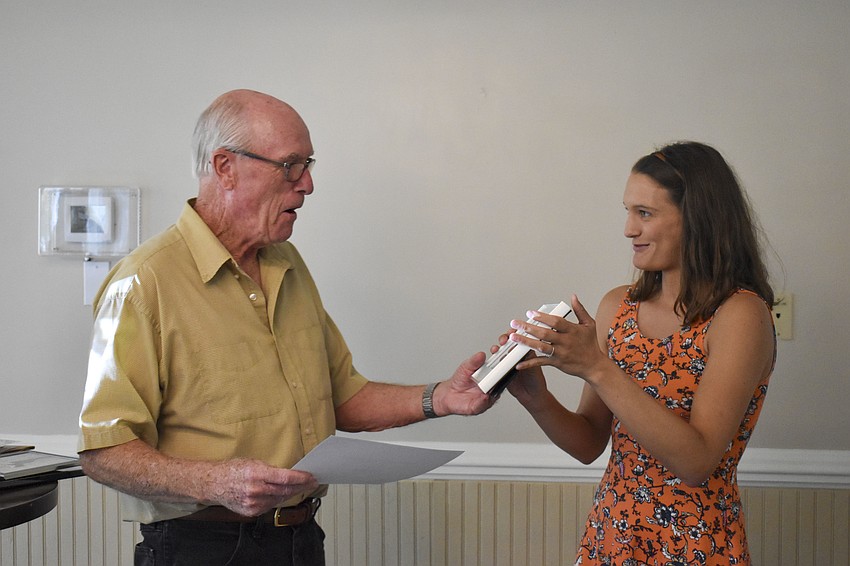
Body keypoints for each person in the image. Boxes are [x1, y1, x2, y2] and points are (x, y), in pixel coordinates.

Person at [77, 89, 493, 566]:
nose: (308, 184)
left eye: (308, 164)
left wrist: (442, 397)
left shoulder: (287, 263)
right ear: (225, 167)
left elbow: (340, 397)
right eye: (291, 165)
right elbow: (103, 452)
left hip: (299, 539)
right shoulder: (142, 284)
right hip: (201, 548)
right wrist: (213, 482)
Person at [503, 141, 775, 565]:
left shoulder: (741, 315)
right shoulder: (618, 306)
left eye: (645, 213)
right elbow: (589, 442)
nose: (629, 229)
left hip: (695, 546)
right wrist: (535, 398)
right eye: (628, 211)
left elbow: (698, 461)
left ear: (698, 219)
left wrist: (597, 367)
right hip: (611, 538)